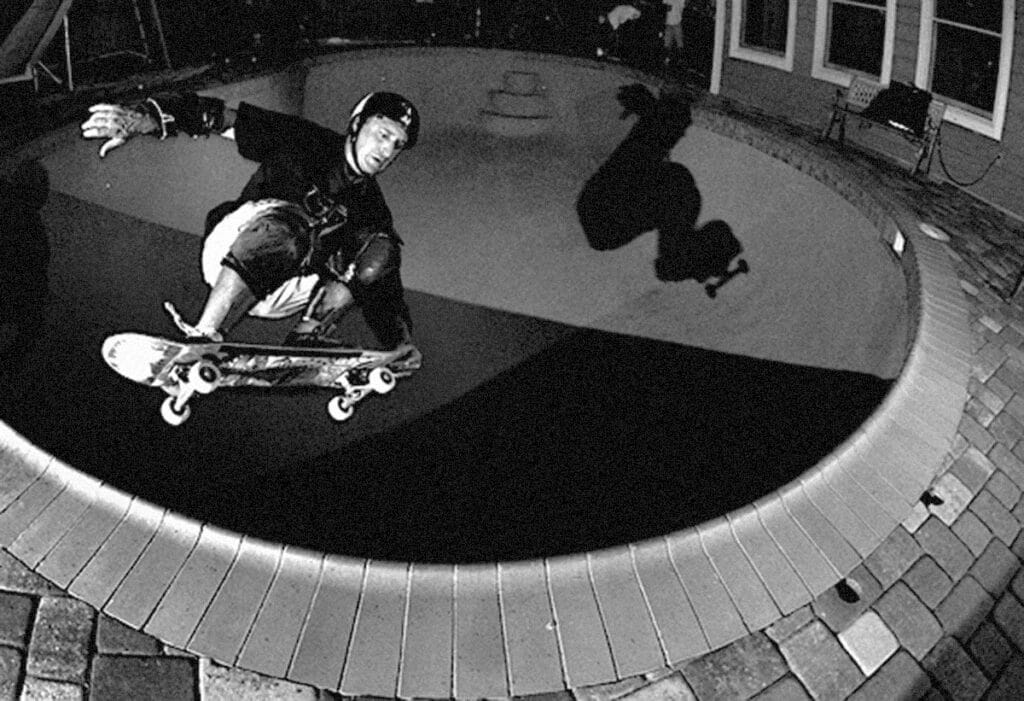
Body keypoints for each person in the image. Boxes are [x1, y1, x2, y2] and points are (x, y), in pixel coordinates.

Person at [80, 90, 422, 369]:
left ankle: (307, 339)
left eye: (397, 145)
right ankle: (206, 334)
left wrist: (402, 345)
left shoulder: (373, 207)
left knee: (379, 248)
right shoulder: (305, 140)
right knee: (296, 227)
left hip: (282, 289)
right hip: (233, 252)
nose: (387, 151)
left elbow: (382, 286)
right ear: (358, 125)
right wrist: (148, 118)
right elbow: (218, 117)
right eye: (382, 135)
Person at [662, 0, 687, 68]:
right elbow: (665, 6)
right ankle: (667, 59)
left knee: (679, 42)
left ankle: (680, 60)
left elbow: (683, 8)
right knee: (667, 42)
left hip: (677, 22)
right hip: (669, 22)